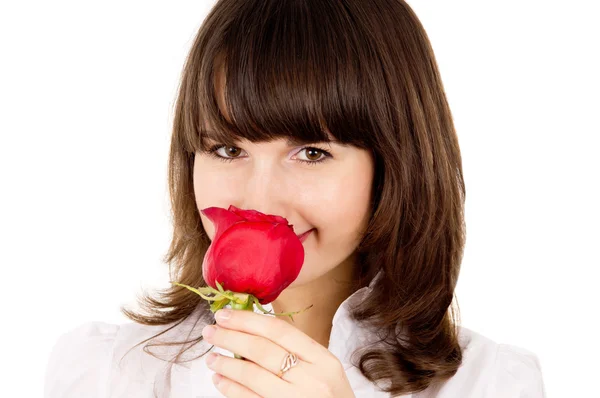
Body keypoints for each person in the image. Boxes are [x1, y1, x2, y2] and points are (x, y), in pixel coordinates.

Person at [44, 0, 546, 397]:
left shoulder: (490, 384)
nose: (257, 198)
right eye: (226, 148)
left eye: (311, 152)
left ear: (395, 166)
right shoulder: (105, 376)